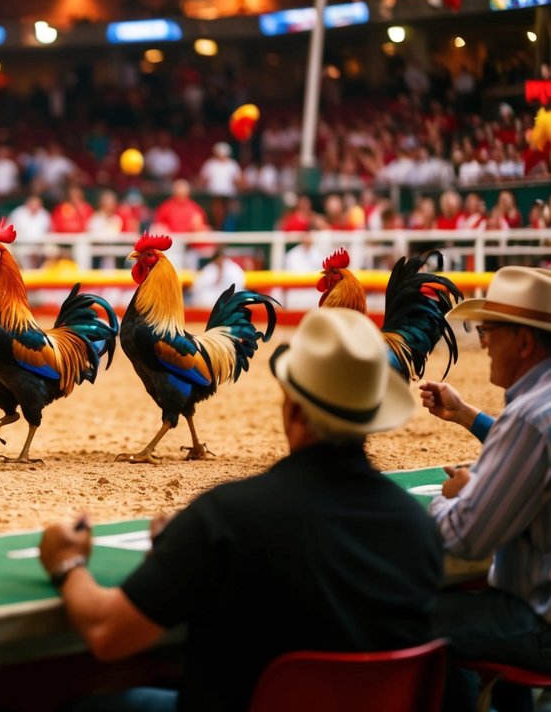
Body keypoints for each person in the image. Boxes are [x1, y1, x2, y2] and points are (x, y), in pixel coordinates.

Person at [40, 308, 442, 712]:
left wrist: (67, 564)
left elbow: (108, 633)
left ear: (294, 411)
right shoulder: (417, 525)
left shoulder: (228, 516)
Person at [421, 266, 551, 712]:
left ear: (525, 343)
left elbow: (466, 536)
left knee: (410, 615)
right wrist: (466, 416)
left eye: (488, 330)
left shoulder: (530, 418)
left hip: (539, 623)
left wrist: (453, 496)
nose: (482, 342)